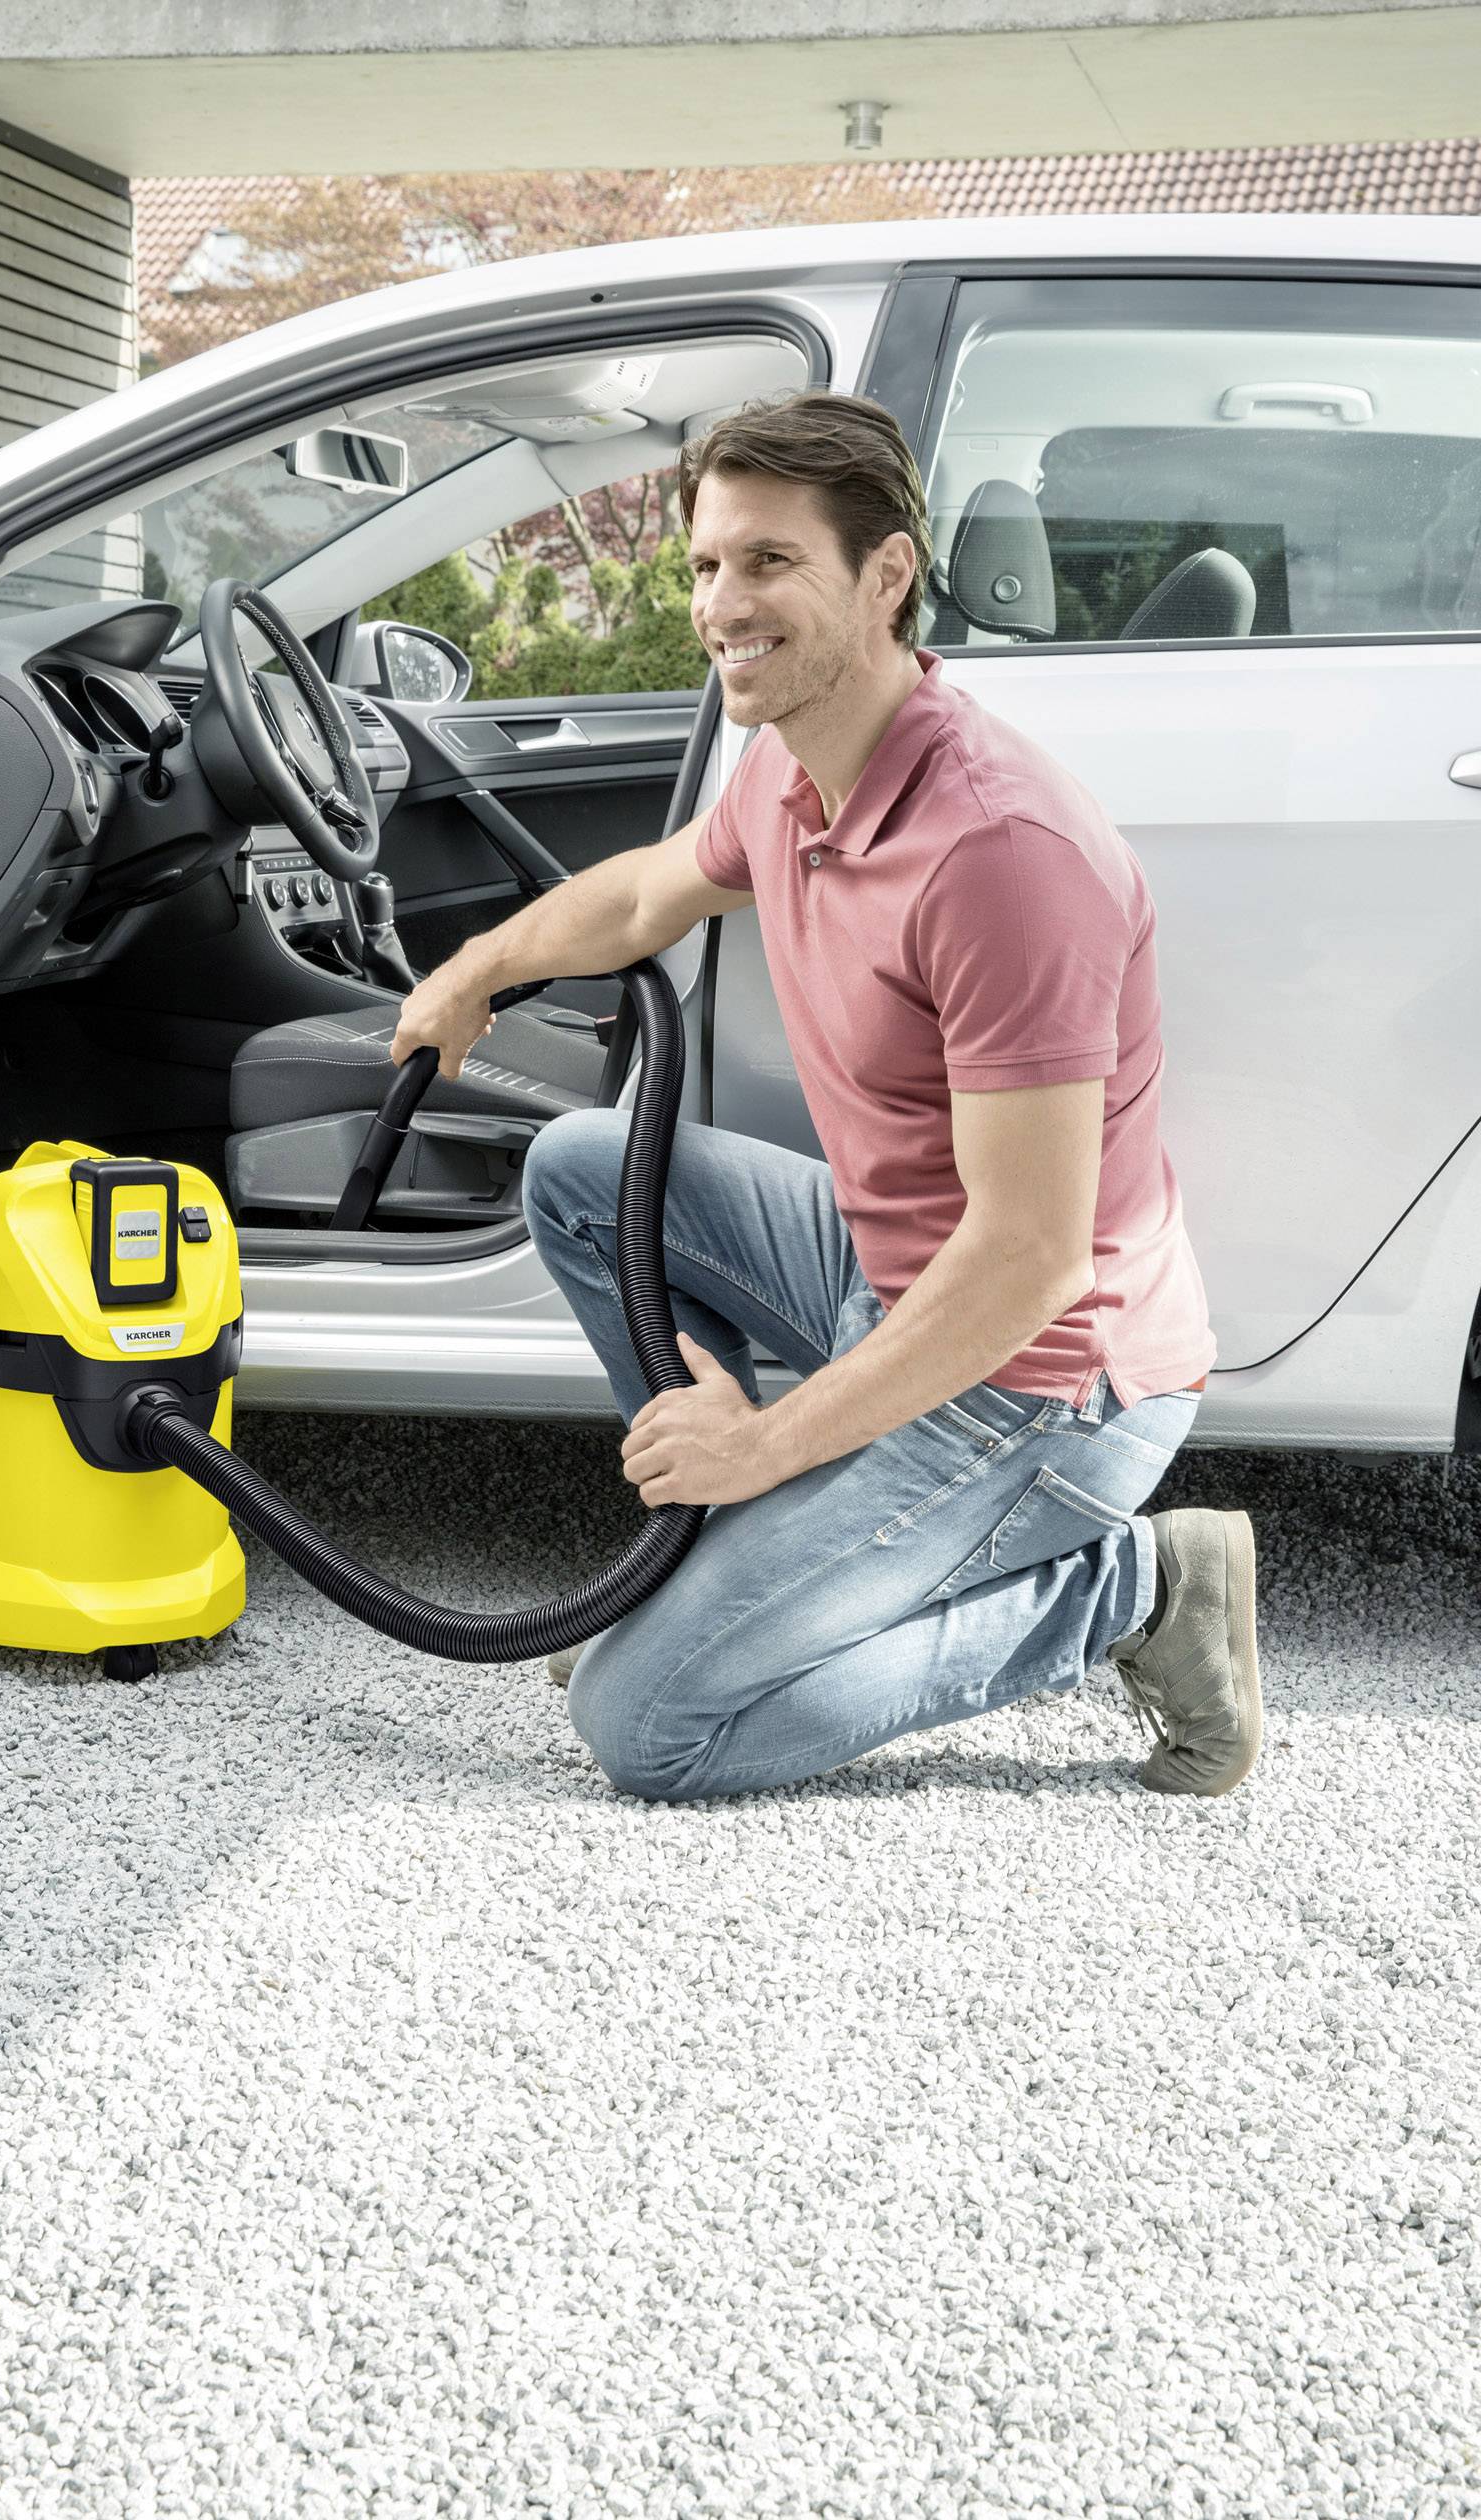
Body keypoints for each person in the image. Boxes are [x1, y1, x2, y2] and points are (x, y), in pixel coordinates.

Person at [388, 387, 1260, 1805]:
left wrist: (764, 1442)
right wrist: (480, 968)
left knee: (650, 1727)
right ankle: (741, 1542)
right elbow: (644, 896)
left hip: (1043, 1384)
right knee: (579, 1169)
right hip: (888, 1280)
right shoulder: (791, 766)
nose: (721, 603)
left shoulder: (1000, 852)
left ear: (887, 576)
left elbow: (1030, 1259)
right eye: (704, 566)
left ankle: (1136, 1586)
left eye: (769, 562)